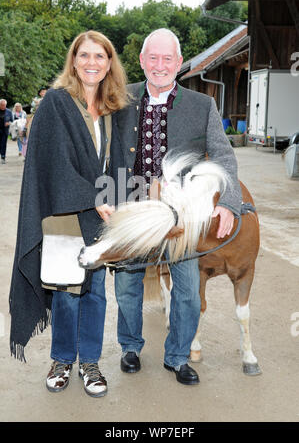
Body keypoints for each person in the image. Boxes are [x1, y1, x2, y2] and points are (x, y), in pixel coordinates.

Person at [105, 28, 242, 386]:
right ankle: (130, 347)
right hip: (132, 204)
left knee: (187, 290)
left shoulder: (202, 105)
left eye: (168, 58)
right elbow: (100, 148)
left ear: (179, 63)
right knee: (127, 286)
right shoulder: (119, 98)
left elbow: (224, 156)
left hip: (181, 213)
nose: (160, 65)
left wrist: (229, 202)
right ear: (141, 61)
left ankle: (178, 355)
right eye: (153, 57)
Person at [9, 31, 128, 397]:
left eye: (100, 56)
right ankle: (62, 358)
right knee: (66, 290)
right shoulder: (56, 104)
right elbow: (53, 165)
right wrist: (92, 196)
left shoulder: (116, 107)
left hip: (103, 212)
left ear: (110, 63)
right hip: (64, 210)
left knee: (95, 293)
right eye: (85, 55)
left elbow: (122, 161)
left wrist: (122, 203)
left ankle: (90, 363)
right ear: (73, 60)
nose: (92, 63)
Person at [0, 99, 13, 164]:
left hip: (5, 130)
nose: (3, 106)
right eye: (2, 105)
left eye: (4, 105)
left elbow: (12, 121)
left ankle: (3, 157)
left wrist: (9, 123)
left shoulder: (9, 111)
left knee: (3, 144)